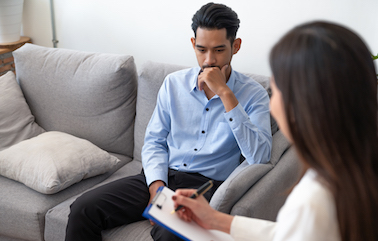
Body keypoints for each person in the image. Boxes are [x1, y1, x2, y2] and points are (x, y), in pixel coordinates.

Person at [172, 21, 378, 241]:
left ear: (302, 104)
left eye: (277, 85)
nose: (272, 98)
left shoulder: (313, 200)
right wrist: (216, 220)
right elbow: (290, 233)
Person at [65, 2, 272, 241]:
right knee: (82, 209)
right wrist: (157, 188)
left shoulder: (254, 94)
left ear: (235, 47)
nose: (208, 60)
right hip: (160, 175)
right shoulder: (173, 84)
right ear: (193, 44)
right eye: (202, 49)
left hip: (204, 187)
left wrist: (226, 95)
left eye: (218, 50)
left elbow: (261, 156)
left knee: (170, 234)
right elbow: (154, 141)